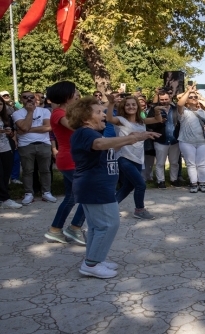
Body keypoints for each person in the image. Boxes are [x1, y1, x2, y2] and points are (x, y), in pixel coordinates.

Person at [68, 96, 159, 279]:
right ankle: (91, 264)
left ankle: (94, 260)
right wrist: (133, 138)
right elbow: (100, 145)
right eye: (99, 112)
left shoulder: (93, 133)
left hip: (96, 187)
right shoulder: (85, 132)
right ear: (86, 118)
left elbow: (107, 148)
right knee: (109, 224)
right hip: (95, 187)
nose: (104, 115)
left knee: (97, 226)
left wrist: (130, 137)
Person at [42, 81, 88, 244]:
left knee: (71, 198)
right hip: (70, 160)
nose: (77, 94)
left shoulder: (66, 111)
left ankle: (55, 230)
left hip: (72, 159)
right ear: (66, 95)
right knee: (88, 195)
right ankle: (75, 228)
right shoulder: (58, 113)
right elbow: (75, 127)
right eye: (74, 92)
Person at [107, 95, 163, 219]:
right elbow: (109, 118)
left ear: (137, 106)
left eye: (133, 104)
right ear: (123, 107)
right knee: (140, 184)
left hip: (137, 158)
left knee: (128, 185)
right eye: (128, 104)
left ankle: (110, 207)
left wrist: (157, 111)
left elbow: (157, 119)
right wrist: (111, 104)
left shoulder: (141, 121)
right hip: (123, 157)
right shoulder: (121, 120)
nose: (131, 106)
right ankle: (139, 210)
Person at [12, 91, 57, 205]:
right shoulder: (17, 113)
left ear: (35, 98)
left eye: (31, 97)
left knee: (45, 170)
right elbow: (23, 126)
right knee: (28, 171)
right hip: (26, 145)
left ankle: (46, 192)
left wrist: (26, 130)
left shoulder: (45, 111)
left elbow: (48, 127)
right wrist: (30, 112)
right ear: (21, 100)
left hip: (44, 143)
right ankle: (28, 194)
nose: (29, 99)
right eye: (25, 97)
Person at [177, 85, 205, 193]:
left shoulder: (202, 112)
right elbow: (179, 103)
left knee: (202, 163)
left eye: (195, 97)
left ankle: (202, 183)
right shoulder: (183, 111)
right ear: (187, 101)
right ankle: (193, 183)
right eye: (191, 97)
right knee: (191, 163)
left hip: (202, 141)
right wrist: (188, 91)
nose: (194, 98)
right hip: (186, 141)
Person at [146, 90, 181, 189]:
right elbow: (149, 124)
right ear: (159, 99)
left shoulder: (175, 109)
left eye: (166, 99)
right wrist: (159, 122)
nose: (164, 101)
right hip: (160, 139)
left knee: (174, 162)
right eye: (162, 99)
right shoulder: (154, 109)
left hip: (174, 139)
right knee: (160, 162)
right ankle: (160, 181)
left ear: (170, 98)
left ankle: (174, 179)